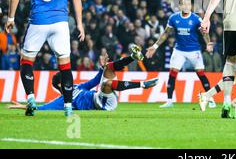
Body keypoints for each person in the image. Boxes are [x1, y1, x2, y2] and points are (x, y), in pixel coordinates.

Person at [4, 0, 85, 117]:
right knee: (65, 64)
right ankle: (68, 107)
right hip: (60, 23)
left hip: (38, 21)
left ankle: (31, 99)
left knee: (26, 60)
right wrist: (79, 24)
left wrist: (10, 18)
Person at [8, 45, 157, 111]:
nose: (70, 80)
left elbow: (94, 82)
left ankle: (133, 56)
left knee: (109, 67)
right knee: (107, 84)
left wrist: (101, 67)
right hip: (102, 105)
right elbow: (44, 108)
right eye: (66, 79)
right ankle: (143, 85)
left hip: (101, 96)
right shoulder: (62, 101)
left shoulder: (78, 87)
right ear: (60, 84)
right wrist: (26, 106)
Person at [146, 0, 215, 108]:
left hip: (194, 50)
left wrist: (208, 43)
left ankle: (210, 98)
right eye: (184, 4)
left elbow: (204, 32)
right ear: (180, 6)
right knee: (172, 73)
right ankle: (169, 101)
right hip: (179, 50)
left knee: (201, 73)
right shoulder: (173, 18)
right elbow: (165, 33)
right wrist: (155, 46)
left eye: (189, 4)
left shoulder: (196, 19)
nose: (187, 6)